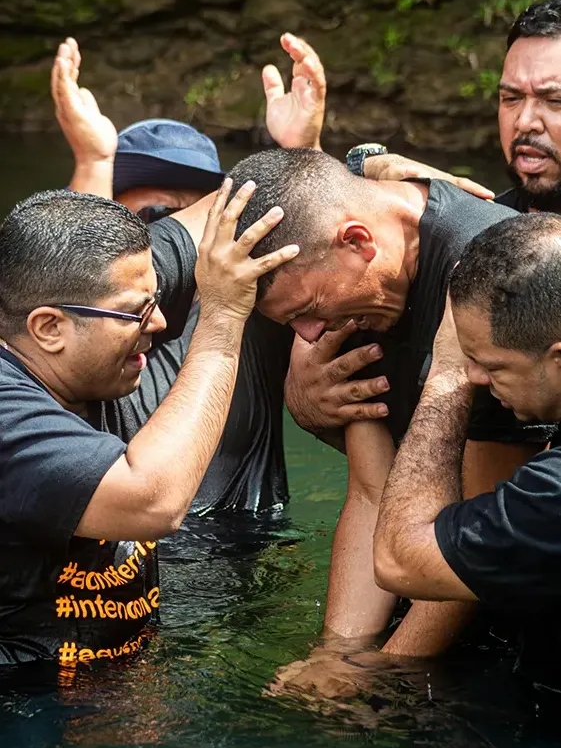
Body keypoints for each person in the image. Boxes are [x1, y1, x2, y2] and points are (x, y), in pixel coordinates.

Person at [229, 146, 555, 668]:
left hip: (489, 574)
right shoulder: (347, 298)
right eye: (289, 324)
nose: (308, 336)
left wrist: (387, 670)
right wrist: (338, 654)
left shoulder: (486, 279)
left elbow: (477, 537)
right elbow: (370, 491)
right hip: (424, 558)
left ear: (357, 242)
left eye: (308, 312)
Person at [50, 37, 388, 525]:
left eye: (201, 215)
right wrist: (92, 164)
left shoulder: (255, 308)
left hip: (244, 555)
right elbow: (75, 280)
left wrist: (303, 151)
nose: (186, 237)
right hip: (130, 563)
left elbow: (313, 256)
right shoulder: (75, 337)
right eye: (161, 215)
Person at [0, 181, 298, 669]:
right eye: (137, 313)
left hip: (122, 678)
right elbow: (152, 502)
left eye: (156, 297)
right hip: (26, 703)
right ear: (49, 328)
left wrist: (365, 171)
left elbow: (233, 207)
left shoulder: (112, 281)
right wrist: (222, 319)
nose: (159, 322)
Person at [374, 212, 561, 694]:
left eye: (490, 364)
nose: (479, 377)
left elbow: (401, 559)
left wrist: (448, 371)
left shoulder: (553, 496)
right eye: (470, 360)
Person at [361, 0, 561, 216]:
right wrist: (367, 166)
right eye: (511, 98)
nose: (524, 122)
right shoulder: (478, 228)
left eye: (554, 101)